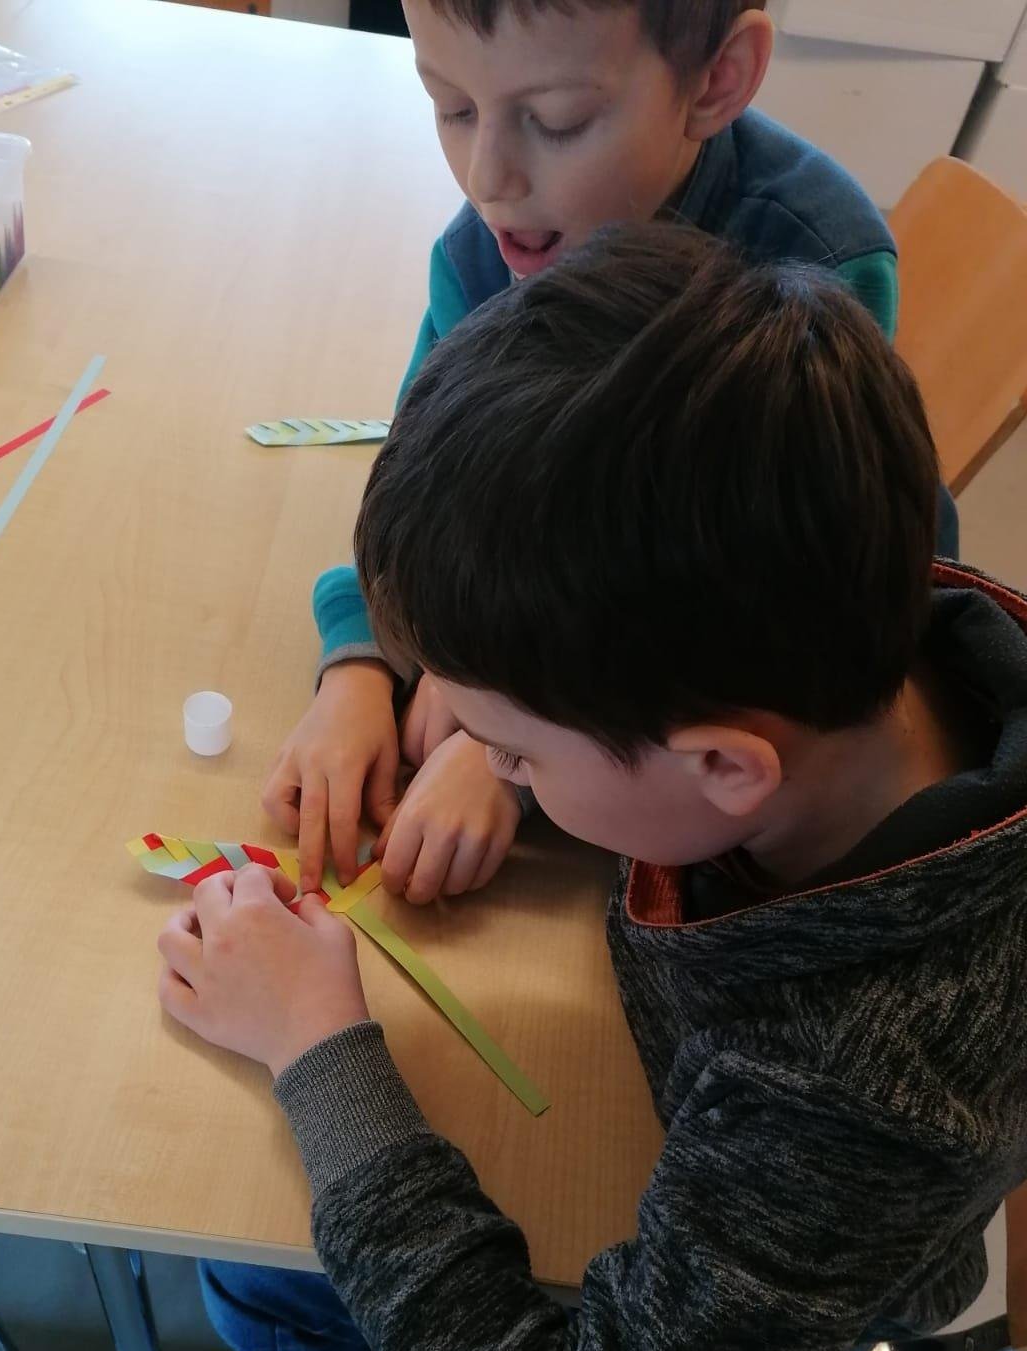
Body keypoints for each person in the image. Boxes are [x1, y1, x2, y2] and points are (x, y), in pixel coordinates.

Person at [161, 224, 1027, 1351]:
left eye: (513, 749)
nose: (485, 762)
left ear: (722, 768)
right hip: (703, 1106)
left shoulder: (865, 1092)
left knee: (254, 1290)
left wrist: (323, 1051)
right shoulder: (832, 625)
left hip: (776, 1246)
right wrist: (476, 725)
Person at [263, 0, 955, 911]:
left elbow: (729, 623)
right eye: (452, 107)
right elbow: (428, 498)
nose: (487, 179)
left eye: (557, 121)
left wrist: (500, 752)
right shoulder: (492, 246)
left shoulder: (811, 273)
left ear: (717, 79)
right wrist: (364, 662)